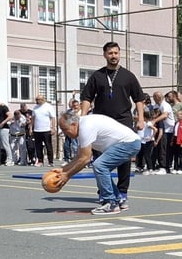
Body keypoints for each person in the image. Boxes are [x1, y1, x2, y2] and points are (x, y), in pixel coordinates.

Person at [80, 42, 145, 208]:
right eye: (110, 53)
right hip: (101, 123)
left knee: (123, 161)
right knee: (100, 160)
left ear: (119, 54)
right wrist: (83, 116)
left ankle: (122, 192)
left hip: (123, 121)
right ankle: (105, 192)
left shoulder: (128, 76)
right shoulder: (97, 76)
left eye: (116, 53)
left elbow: (138, 98)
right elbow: (87, 97)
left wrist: (141, 118)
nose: (113, 56)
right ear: (104, 55)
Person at [55, 110, 140, 215]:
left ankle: (111, 202)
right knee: (101, 166)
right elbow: (79, 157)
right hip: (129, 142)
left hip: (129, 143)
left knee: (99, 165)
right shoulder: (82, 126)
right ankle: (116, 199)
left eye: (65, 129)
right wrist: (63, 170)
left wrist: (67, 175)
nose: (64, 133)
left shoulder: (85, 127)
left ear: (73, 124)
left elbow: (85, 159)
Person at [32, 94, 56, 167]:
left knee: (48, 146)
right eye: (36, 99)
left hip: (46, 130)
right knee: (38, 147)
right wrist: (31, 128)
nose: (37, 101)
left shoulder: (49, 107)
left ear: (43, 100)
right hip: (37, 130)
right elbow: (33, 118)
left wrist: (53, 127)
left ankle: (50, 162)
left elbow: (53, 118)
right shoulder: (35, 107)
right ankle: (40, 161)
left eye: (38, 99)